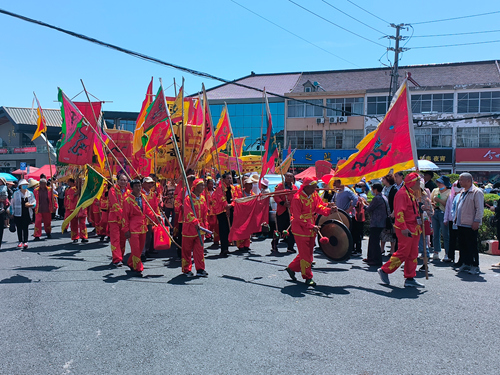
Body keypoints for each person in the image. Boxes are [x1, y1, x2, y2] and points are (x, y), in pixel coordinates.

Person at [285, 177, 337, 287]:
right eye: (313, 187)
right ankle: (308, 277)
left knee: (307, 253)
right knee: (306, 255)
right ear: (306, 187)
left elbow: (319, 207)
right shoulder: (297, 198)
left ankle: (291, 268)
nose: (315, 189)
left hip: (312, 227)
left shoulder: (313, 195)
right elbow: (298, 217)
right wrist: (310, 226)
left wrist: (329, 210)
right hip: (300, 229)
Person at [377, 173, 425, 288]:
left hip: (415, 228)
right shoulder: (402, 194)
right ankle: (384, 270)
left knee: (413, 254)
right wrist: (403, 228)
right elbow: (399, 212)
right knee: (403, 252)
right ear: (412, 183)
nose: (419, 184)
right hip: (405, 228)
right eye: (418, 182)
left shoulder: (413, 193)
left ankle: (410, 277)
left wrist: (421, 209)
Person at [123, 179, 157, 276]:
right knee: (136, 249)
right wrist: (126, 229)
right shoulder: (128, 200)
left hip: (143, 226)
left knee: (140, 248)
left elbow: (147, 212)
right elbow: (125, 216)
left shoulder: (144, 198)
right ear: (132, 188)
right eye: (136, 186)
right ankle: (138, 268)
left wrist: (156, 217)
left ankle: (130, 262)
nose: (138, 188)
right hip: (133, 227)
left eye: (139, 186)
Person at [453, 173, 484, 275]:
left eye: (461, 180)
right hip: (461, 223)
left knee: (472, 245)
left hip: (470, 224)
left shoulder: (476, 192)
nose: (459, 182)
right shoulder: (463, 191)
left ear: (468, 181)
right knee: (463, 245)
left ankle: (475, 265)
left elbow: (479, 209)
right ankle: (466, 263)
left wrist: (477, 221)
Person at [181, 178, 208, 277]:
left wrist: (205, 224)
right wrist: (195, 222)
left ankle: (200, 269)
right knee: (187, 250)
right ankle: (187, 269)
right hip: (189, 228)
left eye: (203, 185)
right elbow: (188, 213)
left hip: (200, 229)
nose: (203, 187)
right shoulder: (188, 199)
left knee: (199, 250)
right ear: (195, 187)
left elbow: (205, 213)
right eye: (201, 185)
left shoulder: (202, 198)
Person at [213, 172, 240, 257]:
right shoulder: (220, 188)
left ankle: (228, 245)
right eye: (228, 178)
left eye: (230, 178)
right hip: (221, 211)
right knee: (223, 230)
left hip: (231, 209)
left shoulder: (232, 188)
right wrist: (226, 206)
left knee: (229, 228)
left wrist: (231, 205)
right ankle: (224, 249)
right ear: (223, 180)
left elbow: (235, 197)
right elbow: (221, 198)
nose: (229, 180)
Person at [364, 183, 387, 267]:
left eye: (372, 189)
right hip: (380, 222)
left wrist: (363, 205)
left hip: (377, 222)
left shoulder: (377, 198)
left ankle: (376, 260)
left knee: (374, 242)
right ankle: (371, 258)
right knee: (373, 241)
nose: (372, 191)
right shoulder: (383, 197)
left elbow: (369, 209)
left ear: (376, 189)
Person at [109, 173, 130, 266]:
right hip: (114, 218)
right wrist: (122, 214)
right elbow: (114, 204)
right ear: (117, 181)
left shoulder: (128, 192)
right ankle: (116, 258)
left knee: (123, 239)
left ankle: (121, 256)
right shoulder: (113, 190)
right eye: (121, 180)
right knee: (115, 239)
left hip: (125, 220)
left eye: (125, 180)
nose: (123, 182)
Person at [274, 172, 298, 253]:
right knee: (279, 229)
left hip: (291, 211)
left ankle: (290, 247)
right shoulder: (280, 186)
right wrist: (283, 203)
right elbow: (275, 196)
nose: (289, 178)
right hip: (282, 211)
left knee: (292, 229)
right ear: (284, 177)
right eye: (287, 176)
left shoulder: (294, 187)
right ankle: (274, 244)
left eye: (291, 176)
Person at [430, 175, 451, 260]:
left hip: (444, 213)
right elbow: (431, 201)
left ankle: (447, 253)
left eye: (440, 183)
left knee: (445, 234)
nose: (438, 184)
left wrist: (440, 201)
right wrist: (432, 204)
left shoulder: (449, 192)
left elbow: (449, 205)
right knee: (435, 233)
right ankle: (436, 251)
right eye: (438, 182)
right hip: (436, 212)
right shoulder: (435, 190)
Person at [11, 179, 35, 249]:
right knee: (19, 228)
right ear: (20, 186)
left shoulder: (30, 193)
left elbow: (34, 202)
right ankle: (20, 241)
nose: (25, 186)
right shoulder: (16, 193)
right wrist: (12, 212)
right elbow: (12, 203)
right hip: (18, 213)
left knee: (25, 227)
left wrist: (31, 205)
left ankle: (25, 241)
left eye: (26, 185)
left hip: (27, 213)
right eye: (23, 185)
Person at [142, 176, 161, 260]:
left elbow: (155, 206)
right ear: (143, 184)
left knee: (149, 235)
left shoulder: (153, 194)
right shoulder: (140, 194)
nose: (150, 185)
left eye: (151, 183)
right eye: (148, 183)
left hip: (151, 218)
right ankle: (142, 252)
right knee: (143, 236)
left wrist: (158, 216)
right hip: (143, 218)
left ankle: (148, 250)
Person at [65, 178, 88, 243]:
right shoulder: (72, 189)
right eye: (78, 181)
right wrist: (75, 194)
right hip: (73, 209)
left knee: (82, 223)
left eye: (81, 181)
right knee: (74, 223)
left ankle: (83, 237)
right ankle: (75, 237)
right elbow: (70, 198)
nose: (79, 183)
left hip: (82, 208)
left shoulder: (84, 189)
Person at [444, 181, 462, 264]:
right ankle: (451, 256)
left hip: (460, 221)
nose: (455, 187)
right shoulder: (451, 197)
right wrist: (445, 219)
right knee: (452, 239)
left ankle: (461, 259)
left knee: (461, 240)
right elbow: (447, 209)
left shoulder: (462, 196)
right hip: (452, 220)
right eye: (454, 186)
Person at [235, 178, 255, 251]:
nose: (250, 186)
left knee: (248, 230)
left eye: (251, 184)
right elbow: (237, 201)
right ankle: (240, 245)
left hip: (249, 215)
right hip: (241, 214)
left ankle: (247, 244)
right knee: (241, 230)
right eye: (248, 184)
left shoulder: (253, 194)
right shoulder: (240, 193)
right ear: (245, 185)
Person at [351, 181, 368, 256]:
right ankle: (353, 248)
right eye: (357, 186)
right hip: (354, 216)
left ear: (364, 188)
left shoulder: (363, 196)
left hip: (359, 217)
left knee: (358, 234)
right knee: (353, 233)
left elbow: (357, 204)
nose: (357, 187)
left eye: (359, 186)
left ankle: (358, 250)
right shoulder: (357, 195)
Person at [204, 176, 219, 248]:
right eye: (209, 184)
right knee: (208, 223)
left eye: (212, 184)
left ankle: (215, 236)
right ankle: (208, 235)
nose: (211, 185)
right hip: (207, 209)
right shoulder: (204, 191)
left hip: (214, 209)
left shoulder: (215, 191)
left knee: (214, 224)